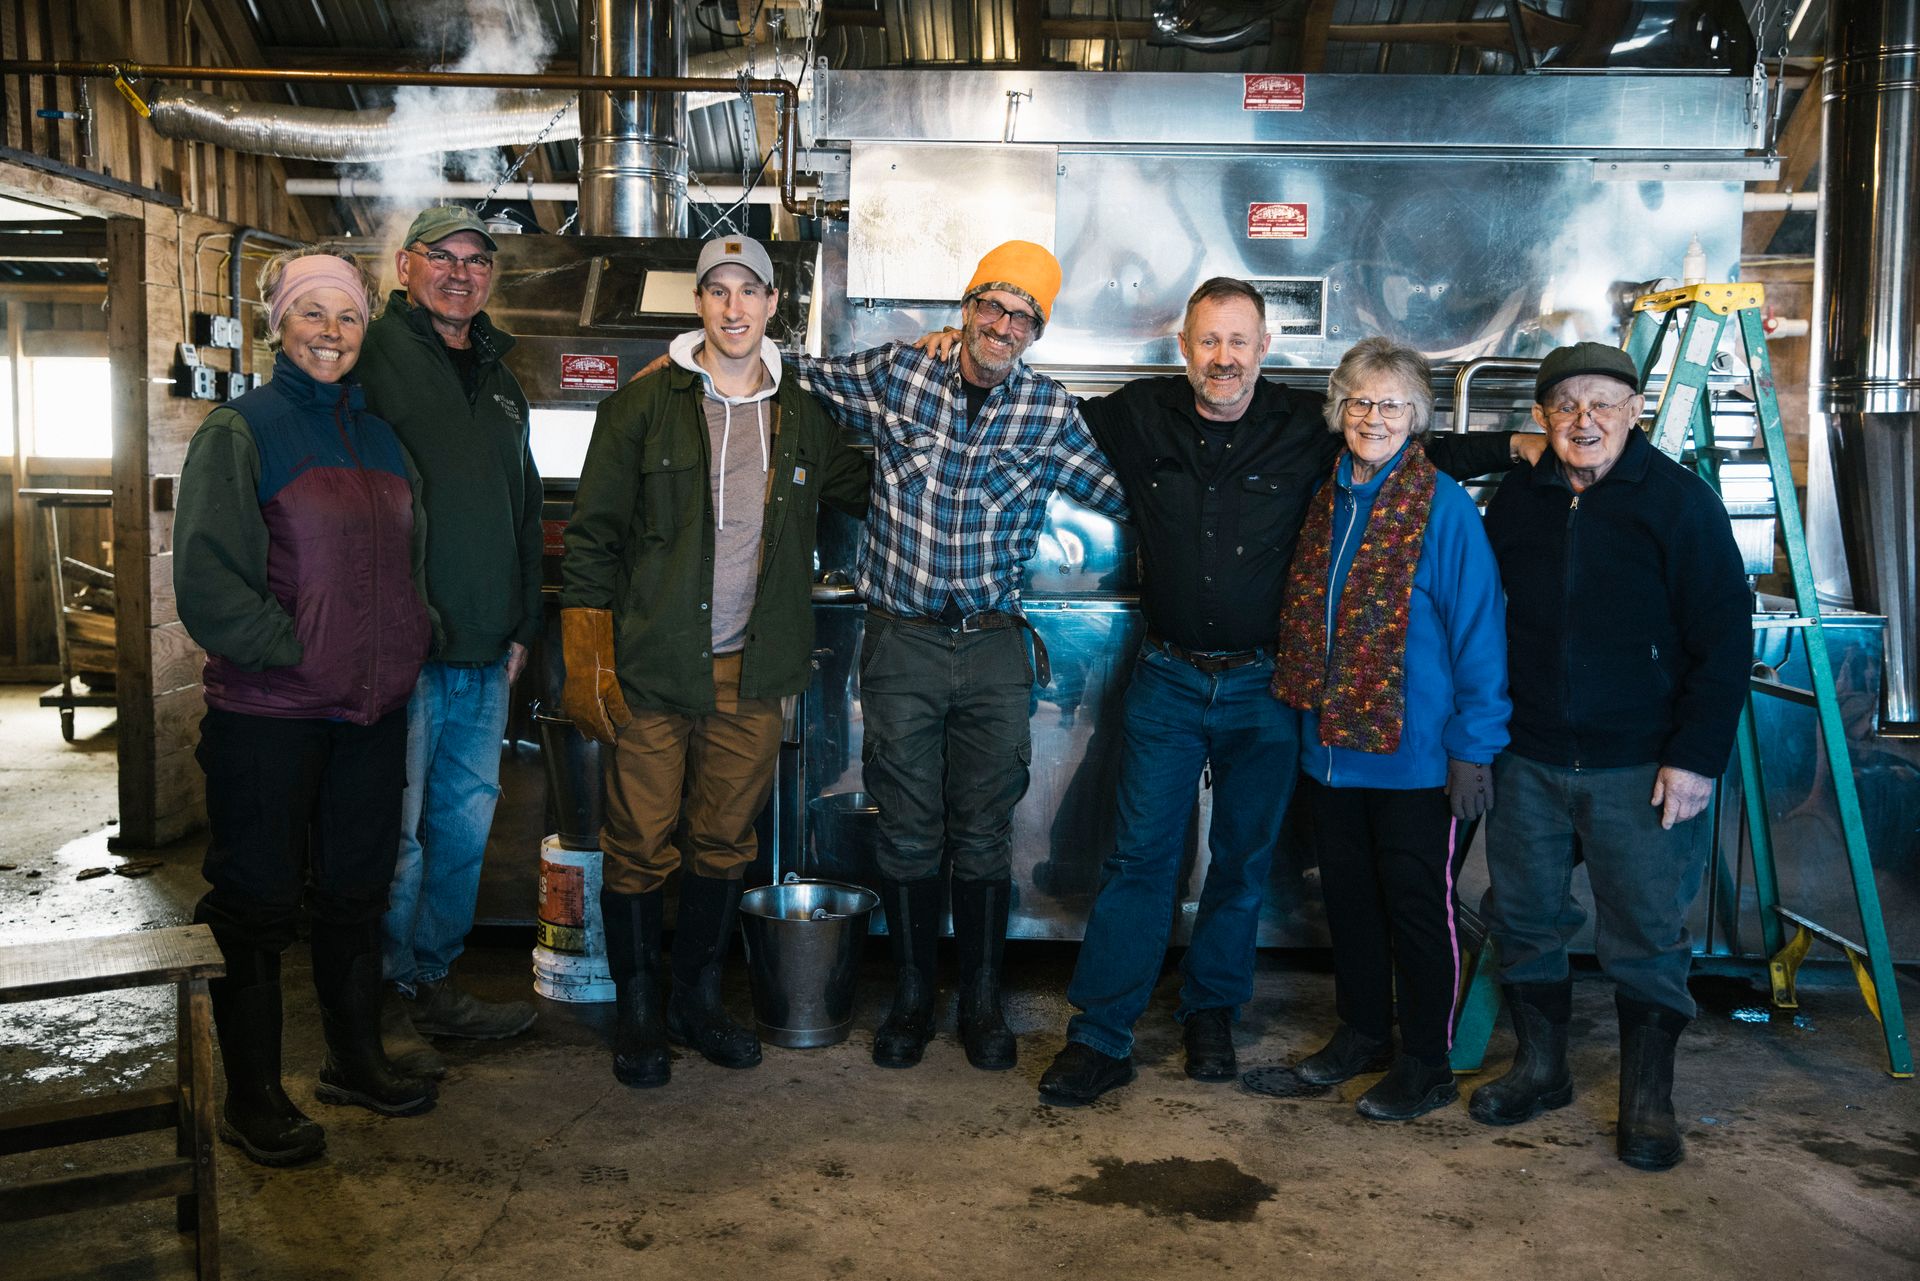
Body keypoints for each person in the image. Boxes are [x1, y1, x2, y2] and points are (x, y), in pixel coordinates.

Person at [1029, 280, 1535, 1107]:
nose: (1223, 358)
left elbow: (1414, 447)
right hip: (1167, 673)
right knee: (1139, 856)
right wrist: (962, 352)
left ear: (1264, 348)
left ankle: (1211, 1016)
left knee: (1243, 860)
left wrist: (1517, 444)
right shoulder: (1136, 412)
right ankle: (1101, 1035)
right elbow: (1038, 416)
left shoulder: (1309, 426)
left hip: (1268, 686)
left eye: (1239, 341)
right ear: (1183, 347)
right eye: (1207, 342)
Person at [794, 241, 1130, 1072]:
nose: (1004, 325)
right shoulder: (896, 374)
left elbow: (1126, 489)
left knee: (984, 835)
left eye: (1023, 316)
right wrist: (699, 357)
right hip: (901, 639)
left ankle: (981, 1001)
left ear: (1037, 331)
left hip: (992, 645)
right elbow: (799, 376)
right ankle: (913, 997)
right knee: (906, 832)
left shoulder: (1048, 412)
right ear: (967, 305)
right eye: (993, 305)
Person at [560, 235, 870, 1087]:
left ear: (774, 306)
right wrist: (589, 658)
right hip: (655, 665)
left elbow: (871, 485)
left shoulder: (804, 414)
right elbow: (590, 539)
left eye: (750, 292)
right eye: (718, 291)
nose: (734, 307)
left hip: (755, 671)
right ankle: (638, 1009)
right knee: (636, 843)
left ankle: (697, 1001)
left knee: (724, 842)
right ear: (698, 303)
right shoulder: (642, 407)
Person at [175, 246, 438, 1166]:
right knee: (256, 899)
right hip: (270, 714)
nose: (332, 333)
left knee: (356, 890)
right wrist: (294, 651)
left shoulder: (380, 437)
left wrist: (412, 631)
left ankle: (354, 1060)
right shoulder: (240, 431)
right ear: (279, 324)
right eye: (313, 314)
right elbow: (208, 580)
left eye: (348, 317)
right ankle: (250, 1096)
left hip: (369, 711)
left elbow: (408, 562)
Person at [1473, 341, 1750, 1171]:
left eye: (1602, 403)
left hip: (1644, 764)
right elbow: (1488, 624)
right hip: (1529, 756)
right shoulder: (1517, 502)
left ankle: (1648, 1102)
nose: (1583, 420)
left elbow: (1724, 640)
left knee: (1647, 933)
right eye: (1565, 405)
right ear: (1542, 417)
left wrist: (1696, 756)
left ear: (1636, 410)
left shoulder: (1679, 503)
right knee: (1523, 917)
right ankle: (1541, 1067)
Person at [1269, 337, 1510, 1121]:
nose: (1375, 417)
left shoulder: (1442, 506)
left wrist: (1475, 746)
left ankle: (1427, 1060)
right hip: (1331, 753)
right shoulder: (1327, 494)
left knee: (1417, 907)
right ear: (1340, 410)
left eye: (1393, 404)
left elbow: (1480, 632)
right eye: (1362, 402)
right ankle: (1362, 1031)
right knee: (1349, 902)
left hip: (1415, 759)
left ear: (1418, 417)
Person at [355, 206, 544, 1073]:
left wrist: (523, 623)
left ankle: (435, 981)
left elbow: (525, 504)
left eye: (477, 260)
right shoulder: (374, 355)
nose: (461, 272)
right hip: (405, 647)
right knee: (393, 835)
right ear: (406, 266)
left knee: (463, 830)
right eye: (444, 257)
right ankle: (382, 997)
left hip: (486, 650)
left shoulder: (502, 374)